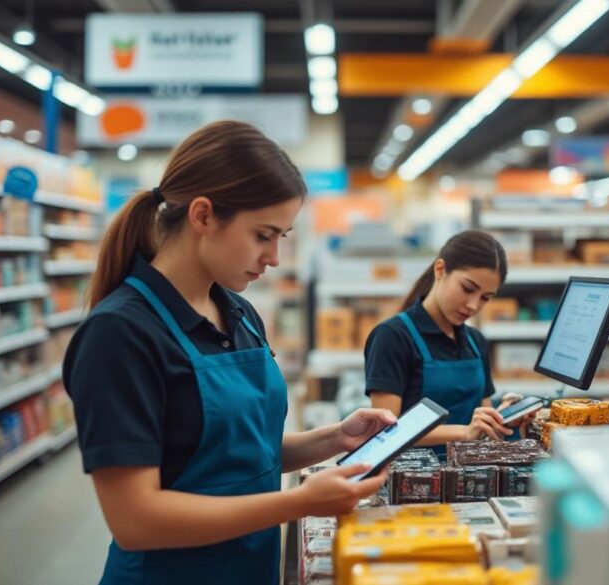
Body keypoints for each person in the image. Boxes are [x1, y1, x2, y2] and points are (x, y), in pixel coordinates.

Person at [63, 121, 394, 585]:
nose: (274, 256)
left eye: (282, 237)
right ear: (203, 216)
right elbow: (135, 520)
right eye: (263, 235)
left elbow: (242, 455)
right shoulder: (120, 334)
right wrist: (299, 502)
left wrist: (337, 438)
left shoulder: (239, 313)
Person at [363, 230, 534, 453]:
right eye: (468, 289)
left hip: (471, 470)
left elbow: (482, 427)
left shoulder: (476, 342)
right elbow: (385, 432)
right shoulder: (392, 337)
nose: (473, 305)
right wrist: (464, 432)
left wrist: (503, 419)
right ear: (440, 270)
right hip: (413, 472)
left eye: (485, 298)